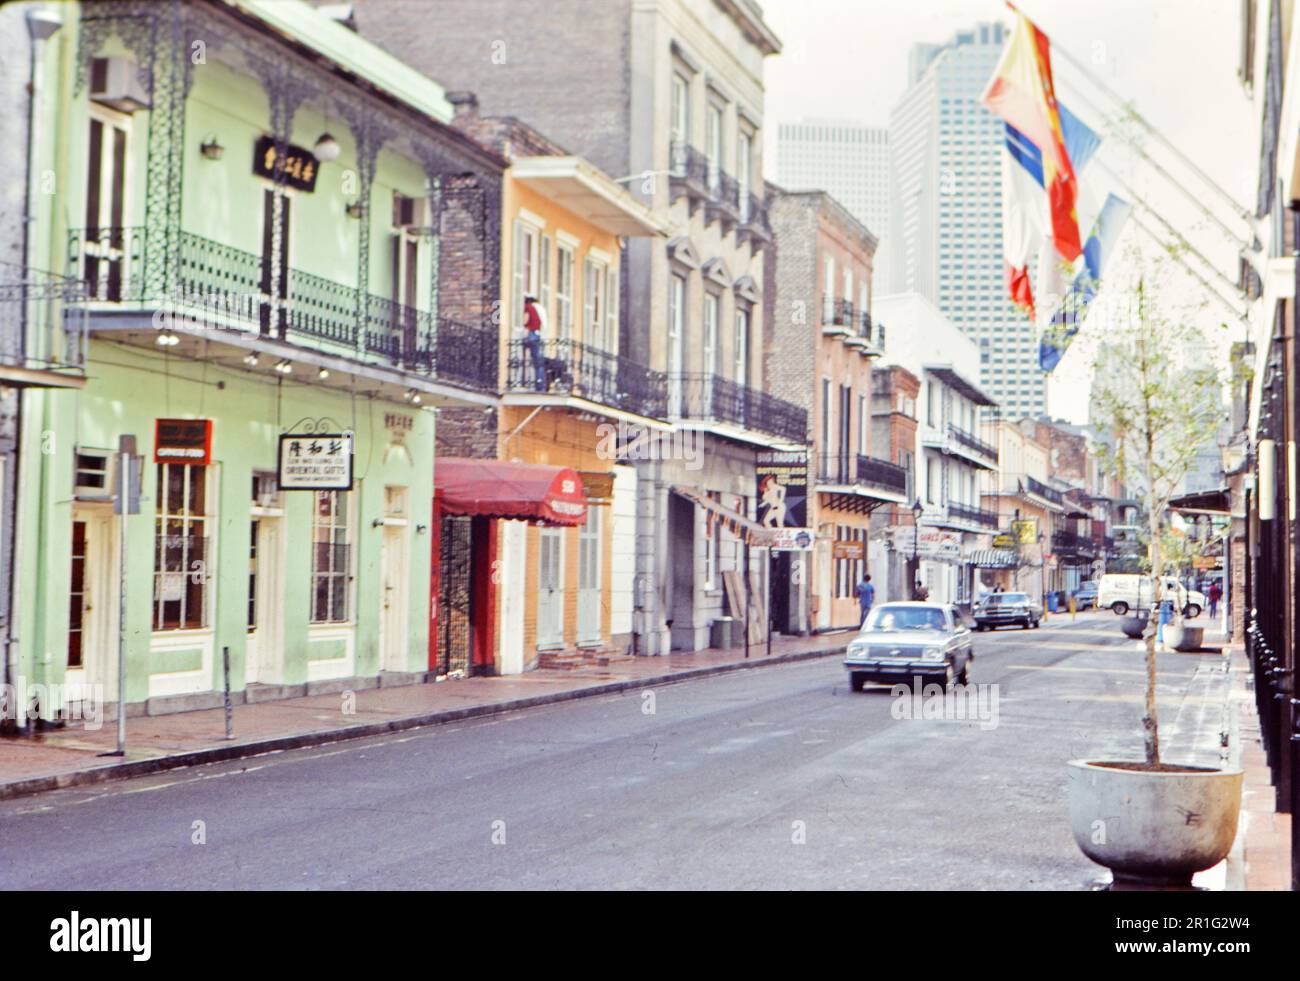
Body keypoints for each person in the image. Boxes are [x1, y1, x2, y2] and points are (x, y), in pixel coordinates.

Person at [522, 295, 547, 391]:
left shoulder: (529, 307)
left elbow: (526, 319)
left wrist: (523, 325)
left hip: (531, 333)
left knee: (528, 354)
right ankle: (540, 384)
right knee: (538, 362)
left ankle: (529, 380)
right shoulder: (539, 309)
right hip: (537, 334)